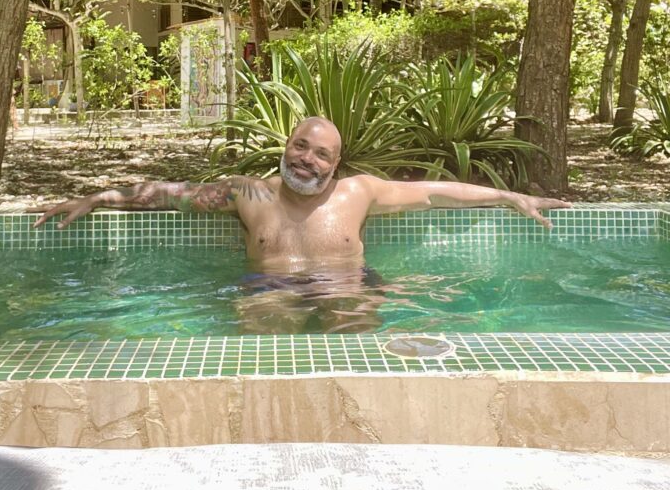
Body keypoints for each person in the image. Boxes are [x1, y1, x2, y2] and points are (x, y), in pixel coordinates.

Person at [32, 116, 572, 333]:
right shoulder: (249, 193)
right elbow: (168, 195)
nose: (307, 160)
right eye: (300, 146)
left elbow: (437, 192)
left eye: (321, 154)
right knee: (265, 330)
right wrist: (98, 197)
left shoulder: (359, 192)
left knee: (356, 329)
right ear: (285, 146)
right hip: (269, 285)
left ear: (335, 163)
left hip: (348, 283)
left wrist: (507, 194)